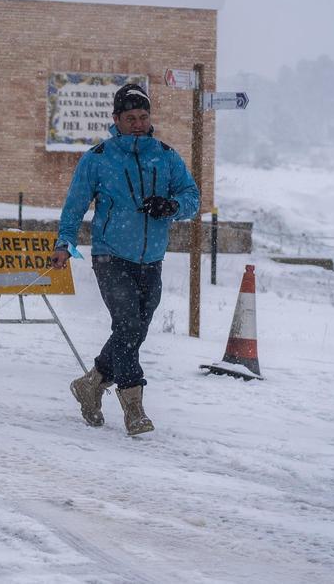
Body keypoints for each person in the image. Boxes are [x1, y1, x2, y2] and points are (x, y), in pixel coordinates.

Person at [51, 83, 199, 435]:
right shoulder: (99, 158)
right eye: (130, 118)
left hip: (152, 258)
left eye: (143, 117)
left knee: (133, 329)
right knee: (129, 325)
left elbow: (191, 195)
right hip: (111, 255)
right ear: (116, 119)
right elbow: (74, 205)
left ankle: (91, 383)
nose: (138, 124)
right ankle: (134, 408)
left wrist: (172, 205)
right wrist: (63, 243)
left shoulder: (165, 156)